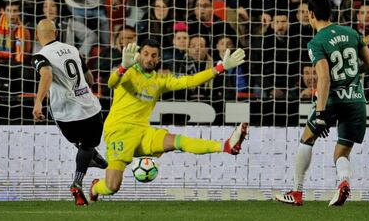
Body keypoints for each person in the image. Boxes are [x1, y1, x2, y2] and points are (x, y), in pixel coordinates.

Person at [89, 39, 248, 201]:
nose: (149, 59)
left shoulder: (160, 80)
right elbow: (111, 83)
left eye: (154, 55)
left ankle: (226, 146)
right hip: (119, 131)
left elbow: (190, 80)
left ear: (158, 59)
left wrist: (220, 67)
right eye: (145, 54)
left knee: (177, 141)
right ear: (139, 55)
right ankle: (95, 187)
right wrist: (123, 67)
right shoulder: (129, 72)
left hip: (143, 132)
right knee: (111, 187)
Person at [275, 0, 369, 206]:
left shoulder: (316, 42)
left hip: (331, 101)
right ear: (330, 13)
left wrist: (320, 113)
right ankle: (343, 183)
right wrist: (353, 74)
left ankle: (297, 192)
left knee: (307, 139)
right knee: (342, 152)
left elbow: (324, 77)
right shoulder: (351, 33)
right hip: (356, 101)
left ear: (311, 15)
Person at [31, 19, 108, 206]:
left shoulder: (38, 56)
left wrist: (38, 102)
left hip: (64, 114)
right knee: (89, 145)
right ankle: (78, 180)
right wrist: (83, 89)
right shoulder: (73, 49)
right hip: (89, 109)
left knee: (80, 142)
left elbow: (47, 74)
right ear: (56, 33)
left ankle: (91, 158)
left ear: (36, 35)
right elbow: (88, 77)